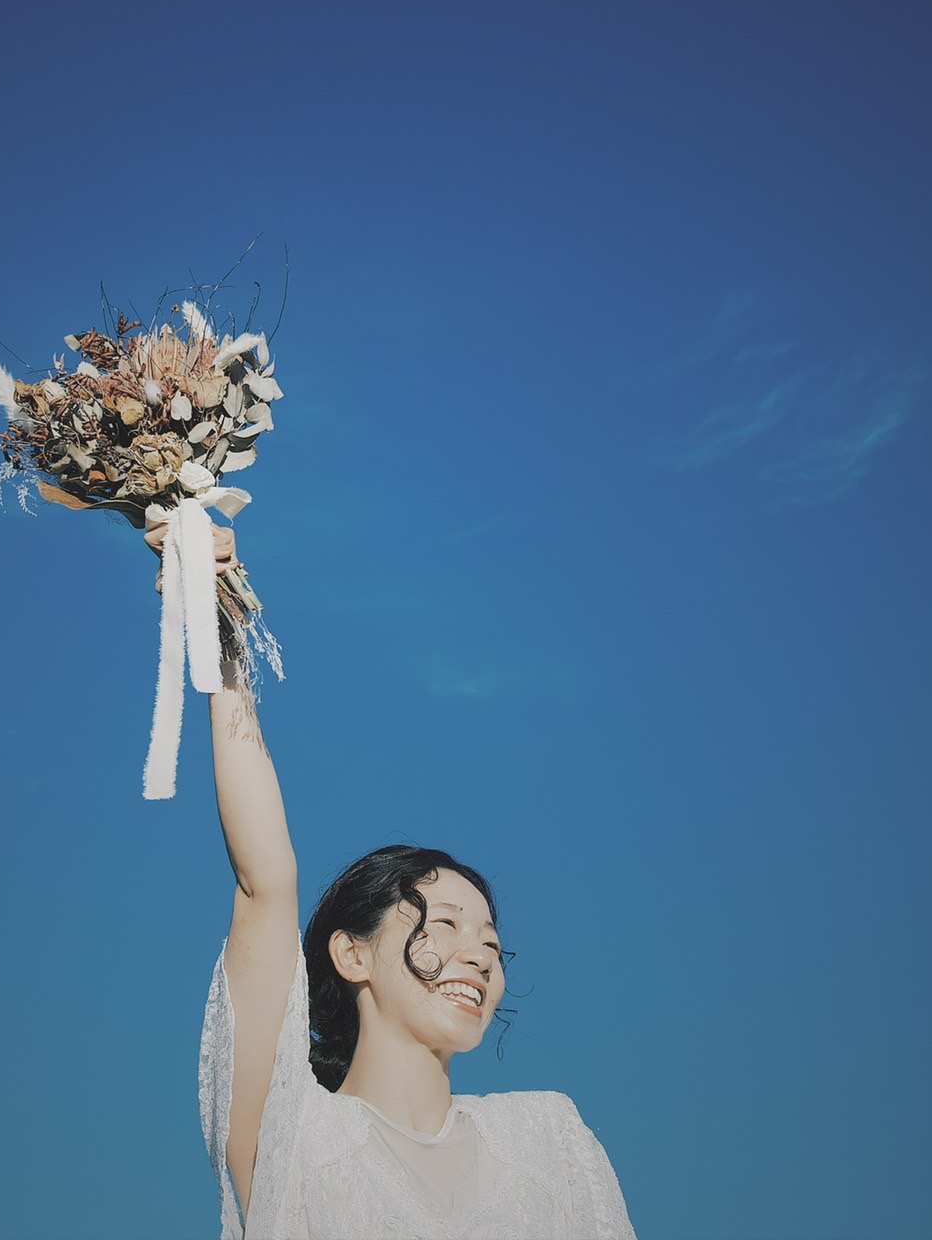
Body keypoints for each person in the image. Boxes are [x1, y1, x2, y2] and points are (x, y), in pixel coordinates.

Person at [147, 520, 636, 1240]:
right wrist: (219, 623)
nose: (479, 956)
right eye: (445, 925)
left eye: (491, 943)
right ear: (352, 953)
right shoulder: (294, 1139)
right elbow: (266, 883)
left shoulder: (550, 1139)